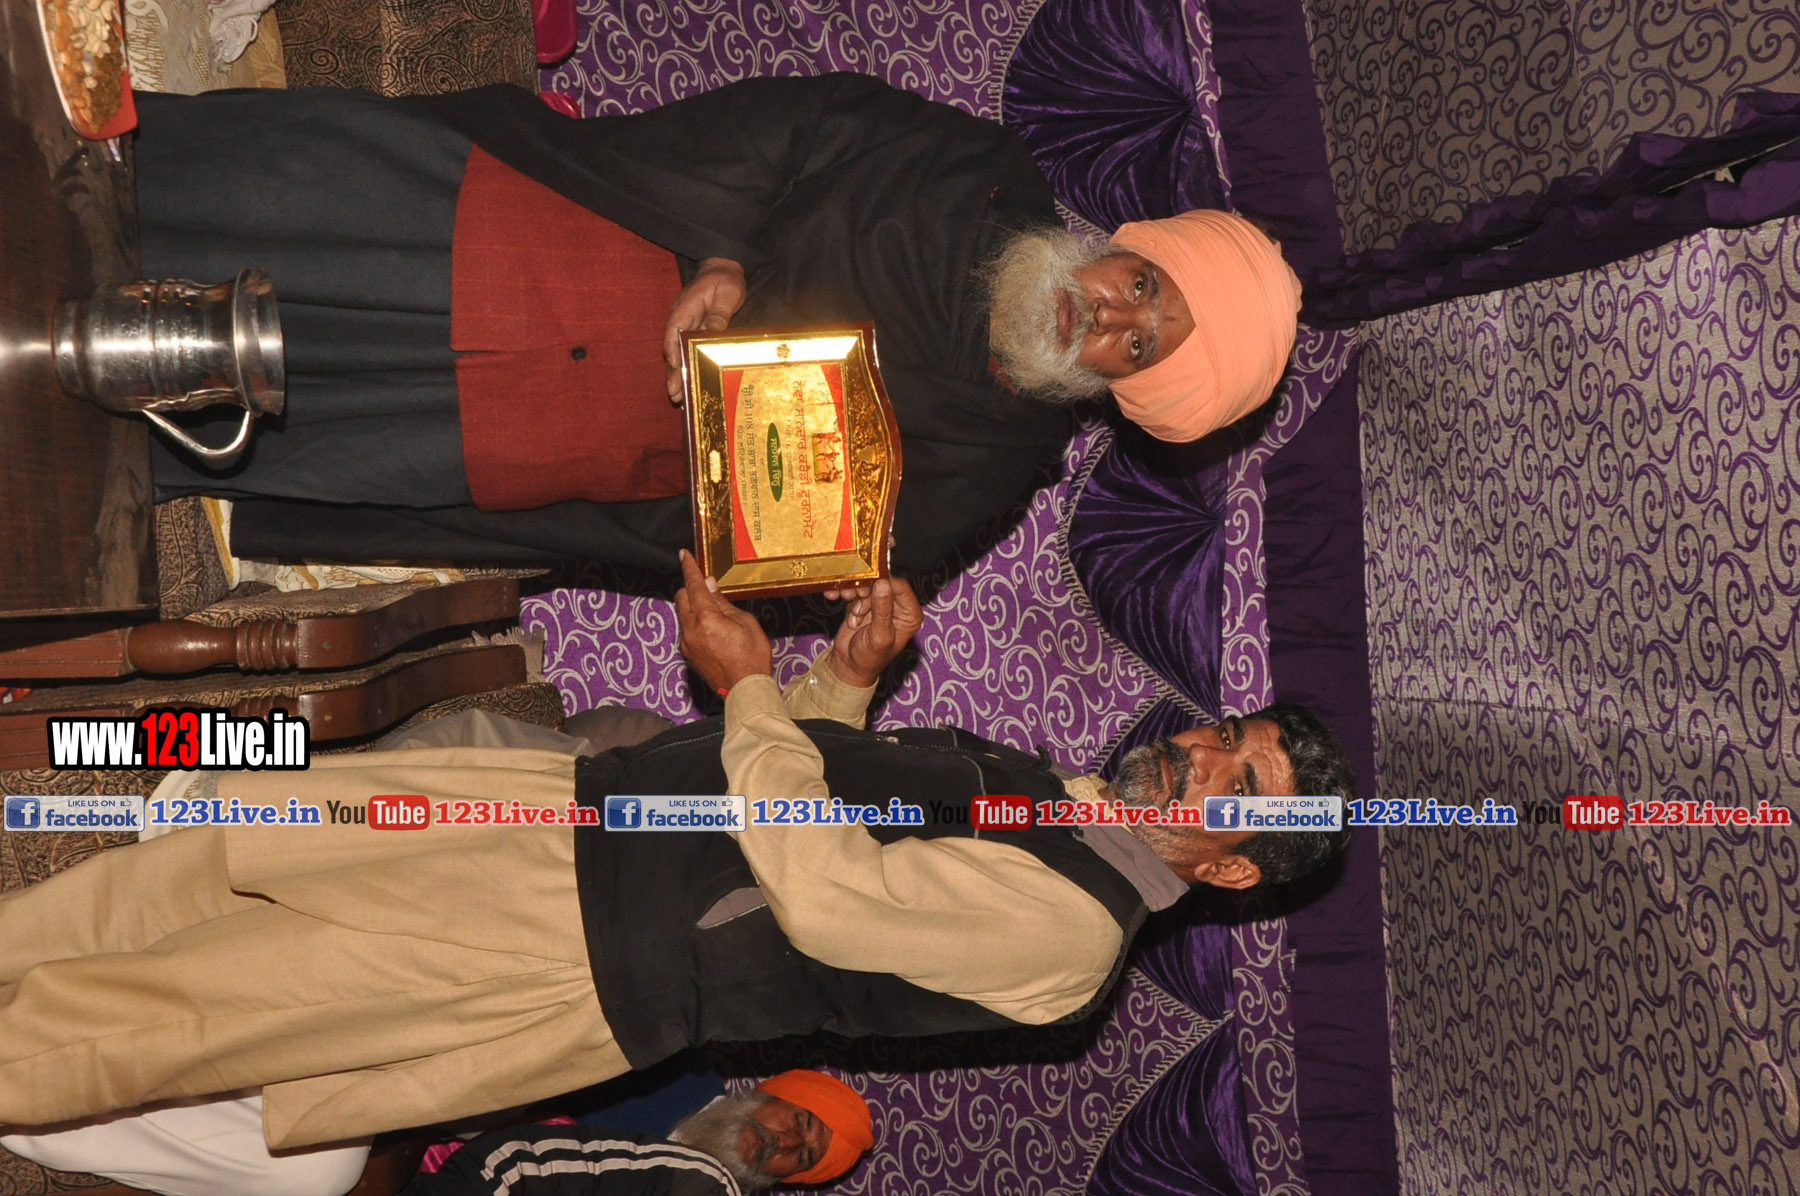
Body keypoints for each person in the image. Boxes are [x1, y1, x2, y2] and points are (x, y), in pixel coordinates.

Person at [0, 555, 1351, 1150]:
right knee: (207, 854)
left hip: (573, 948)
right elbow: (822, 790)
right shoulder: (1045, 790)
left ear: (1231, 868)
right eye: (1229, 733)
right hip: (559, 814)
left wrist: (751, 684)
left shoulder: (1072, 939)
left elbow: (823, 891)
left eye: (1244, 790)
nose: (1206, 757)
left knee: (195, 1009)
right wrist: (843, 683)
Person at [136, 73, 1301, 574]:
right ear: (1136, 246)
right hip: (537, 229)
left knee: (212, 416)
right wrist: (723, 257)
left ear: (1128, 385)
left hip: (526, 434)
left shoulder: (985, 474)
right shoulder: (978, 170)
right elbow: (797, 127)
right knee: (225, 206)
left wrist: (813, 576)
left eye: (1136, 343)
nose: (1109, 310)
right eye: (1144, 285)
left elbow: (739, 537)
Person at [404, 1069, 873, 1195]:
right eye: (799, 1122)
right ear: (774, 1096)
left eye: (802, 1157)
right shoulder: (670, 1069)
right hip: (434, 1131)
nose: (785, 1141)